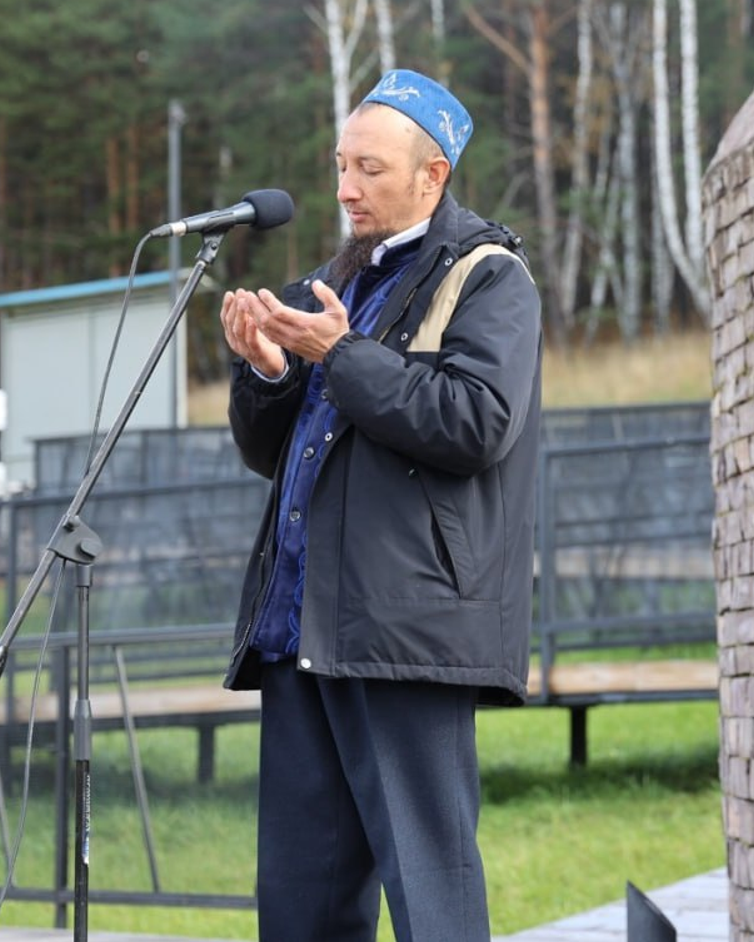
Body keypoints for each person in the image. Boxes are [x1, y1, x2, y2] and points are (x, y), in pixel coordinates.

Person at [218, 69, 541, 942]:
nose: (345, 189)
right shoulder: (331, 282)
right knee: (301, 905)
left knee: (430, 897)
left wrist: (342, 354)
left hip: (406, 636)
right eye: (339, 166)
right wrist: (267, 373)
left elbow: (476, 424)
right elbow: (270, 456)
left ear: (431, 177)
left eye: (369, 169)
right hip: (301, 636)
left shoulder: (489, 278)